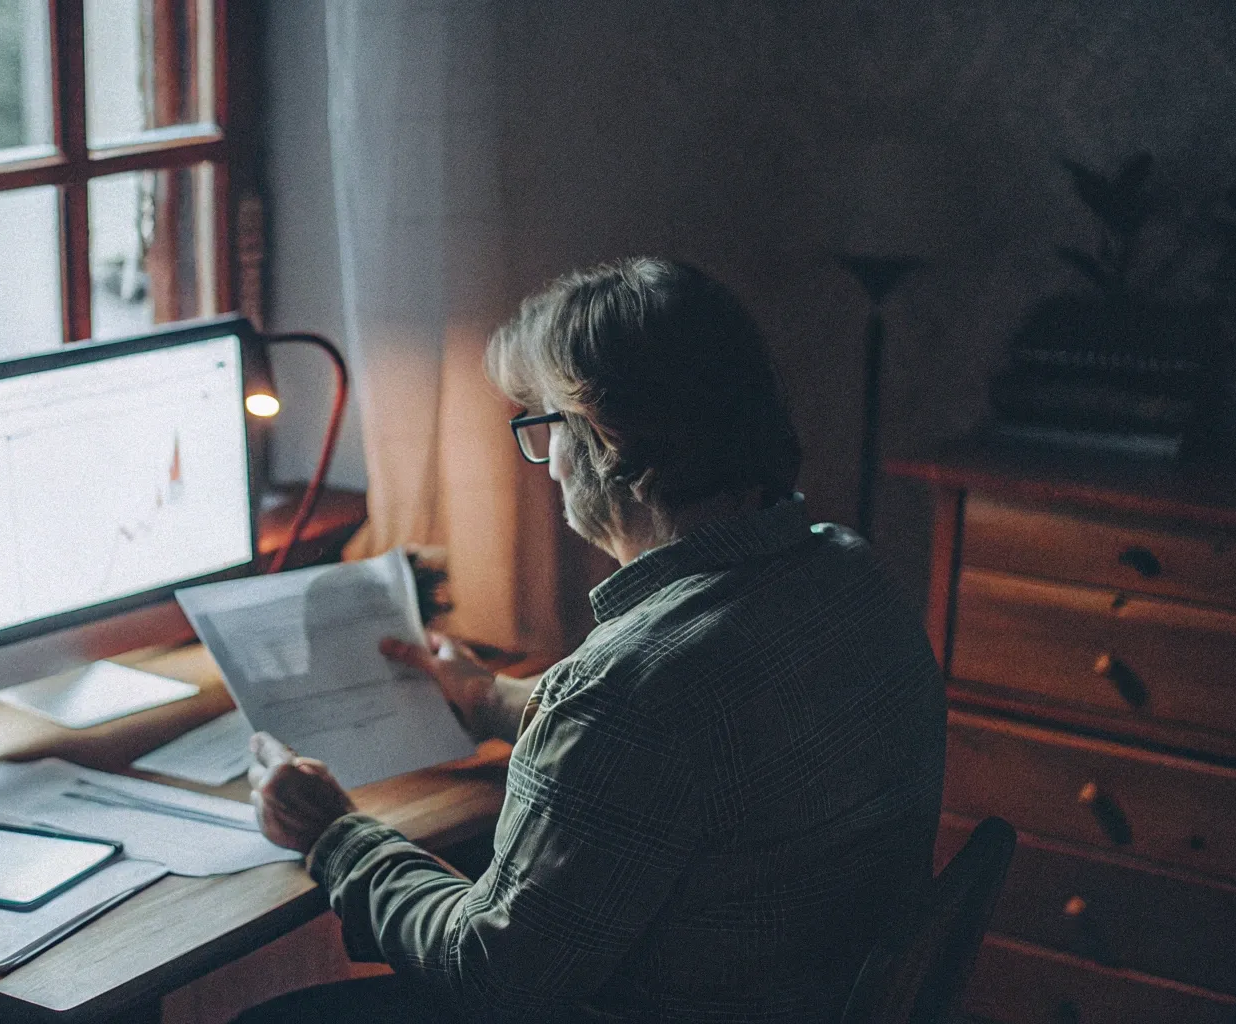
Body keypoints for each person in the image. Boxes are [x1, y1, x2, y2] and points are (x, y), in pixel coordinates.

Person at [242, 258, 947, 1023]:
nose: (548, 467)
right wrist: (489, 699)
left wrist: (333, 834)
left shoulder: (632, 689)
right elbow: (686, 759)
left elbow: (488, 972)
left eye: (545, 428)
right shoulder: (851, 574)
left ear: (606, 438)